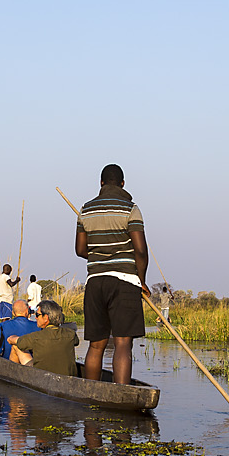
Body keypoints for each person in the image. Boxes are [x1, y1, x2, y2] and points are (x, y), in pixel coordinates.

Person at [75, 163, 148, 385]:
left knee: (96, 345)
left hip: (95, 281)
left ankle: (90, 393)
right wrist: (141, 280)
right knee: (123, 343)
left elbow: (80, 250)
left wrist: (100, 255)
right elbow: (141, 250)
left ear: (101, 183)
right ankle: (122, 395)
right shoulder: (130, 209)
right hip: (125, 280)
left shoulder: (86, 210)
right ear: (123, 184)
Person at [10, 300, 79, 376]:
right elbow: (76, 342)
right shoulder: (71, 334)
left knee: (15, 346)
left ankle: (13, 375)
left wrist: (12, 337)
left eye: (37, 315)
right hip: (68, 376)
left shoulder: (36, 337)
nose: (36, 318)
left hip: (42, 376)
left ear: (46, 318)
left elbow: (15, 341)